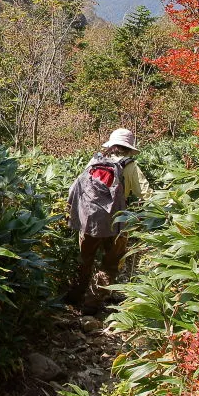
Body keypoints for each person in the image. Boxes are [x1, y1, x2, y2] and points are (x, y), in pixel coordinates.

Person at [64, 127, 151, 307]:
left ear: (111, 145)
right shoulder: (130, 166)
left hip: (89, 220)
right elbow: (147, 195)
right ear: (129, 148)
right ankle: (91, 303)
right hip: (116, 223)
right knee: (110, 264)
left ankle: (74, 299)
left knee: (85, 259)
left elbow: (75, 187)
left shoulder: (95, 160)